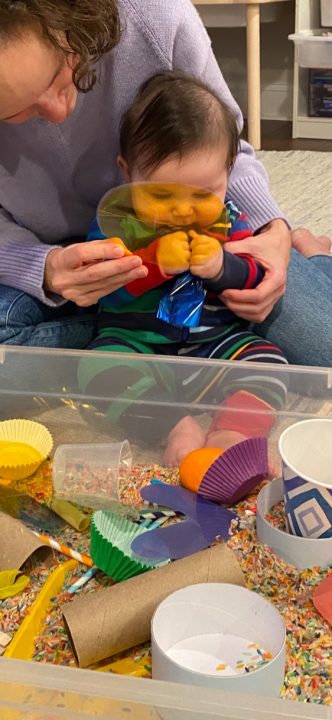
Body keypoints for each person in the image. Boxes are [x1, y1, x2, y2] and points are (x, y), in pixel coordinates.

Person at [0, 0, 330, 367]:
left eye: (62, 74)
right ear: (125, 171)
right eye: (15, 111)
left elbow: (223, 154)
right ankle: (132, 344)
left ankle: (313, 254)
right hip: (50, 250)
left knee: (321, 346)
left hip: (202, 308)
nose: (58, 114)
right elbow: (125, 285)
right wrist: (41, 268)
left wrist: (273, 232)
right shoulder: (118, 227)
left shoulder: (153, 16)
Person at [78, 71, 288, 464]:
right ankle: (170, 425)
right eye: (161, 194)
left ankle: (232, 430)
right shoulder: (117, 222)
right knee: (97, 371)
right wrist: (154, 263)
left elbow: (257, 276)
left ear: (229, 173)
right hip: (138, 346)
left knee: (270, 364)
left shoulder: (230, 221)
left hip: (216, 347)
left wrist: (223, 266)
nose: (182, 210)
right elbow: (104, 287)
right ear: (128, 173)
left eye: (204, 193)